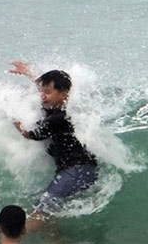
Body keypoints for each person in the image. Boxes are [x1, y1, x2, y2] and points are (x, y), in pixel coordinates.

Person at [8, 62, 98, 218]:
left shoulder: (58, 118)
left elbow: (31, 134)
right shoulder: (55, 108)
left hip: (78, 169)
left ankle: (14, 239)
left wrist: (14, 120)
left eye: (47, 92)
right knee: (44, 207)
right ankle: (56, 240)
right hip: (77, 169)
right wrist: (28, 73)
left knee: (42, 209)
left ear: (63, 94)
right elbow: (45, 90)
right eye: (42, 91)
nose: (42, 95)